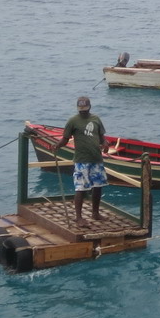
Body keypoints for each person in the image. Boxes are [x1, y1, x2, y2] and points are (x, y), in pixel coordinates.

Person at [52, 96, 109, 224]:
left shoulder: (96, 120)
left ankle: (95, 213)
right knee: (81, 188)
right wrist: (57, 146)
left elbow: (102, 137)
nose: (82, 111)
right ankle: (78, 217)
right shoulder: (73, 121)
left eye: (85, 109)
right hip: (82, 159)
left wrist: (105, 144)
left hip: (96, 159)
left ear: (89, 107)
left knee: (98, 186)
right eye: (80, 109)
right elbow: (65, 139)